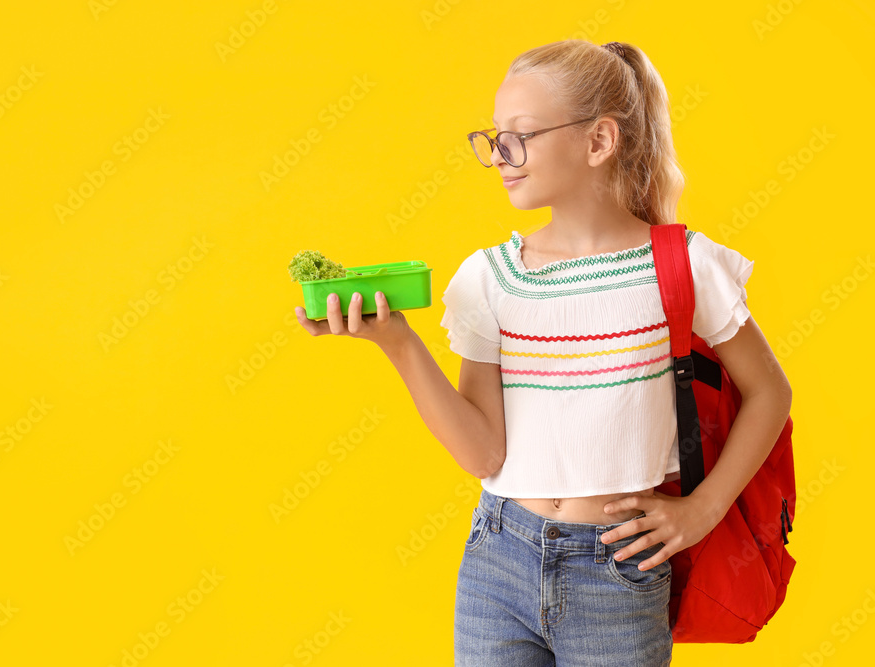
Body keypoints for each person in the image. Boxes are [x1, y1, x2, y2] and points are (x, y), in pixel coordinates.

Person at [294, 39, 792, 666]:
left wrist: (701, 511)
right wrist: (397, 342)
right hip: (498, 557)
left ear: (598, 142)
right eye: (494, 137)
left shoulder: (685, 266)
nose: (501, 155)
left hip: (618, 568)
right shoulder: (490, 278)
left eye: (520, 136)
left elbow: (771, 392)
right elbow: (484, 453)